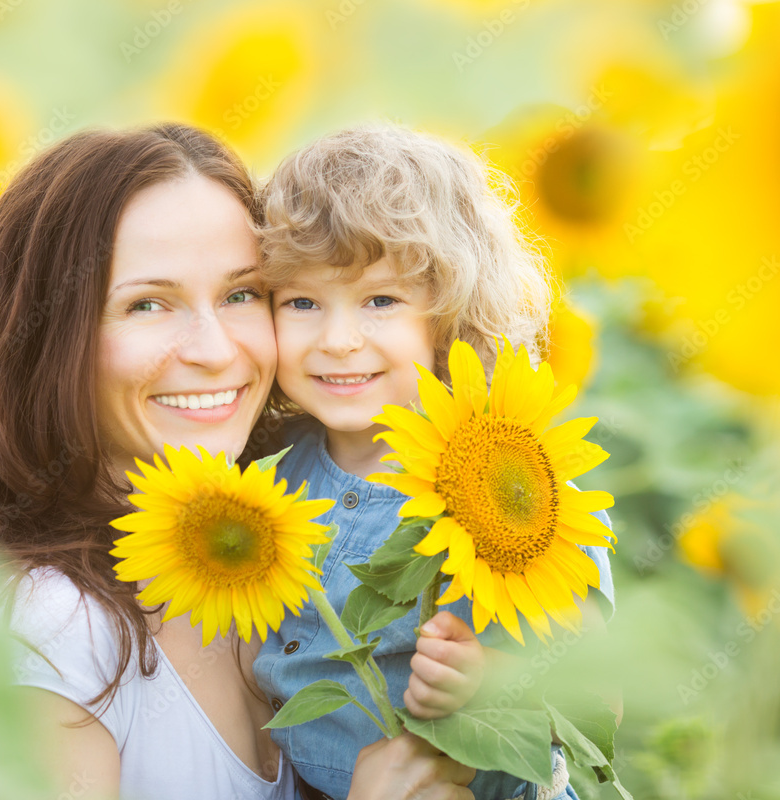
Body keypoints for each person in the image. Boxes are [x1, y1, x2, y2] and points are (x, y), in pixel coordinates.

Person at [0, 124, 476, 800]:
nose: (215, 348)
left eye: (241, 295)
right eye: (148, 304)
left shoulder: (288, 548)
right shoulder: (61, 630)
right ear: (51, 340)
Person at [252, 124, 617, 800]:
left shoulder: (512, 485)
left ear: (449, 315)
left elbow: (597, 697)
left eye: (380, 300)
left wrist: (494, 687)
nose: (336, 340)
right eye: (301, 301)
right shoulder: (269, 478)